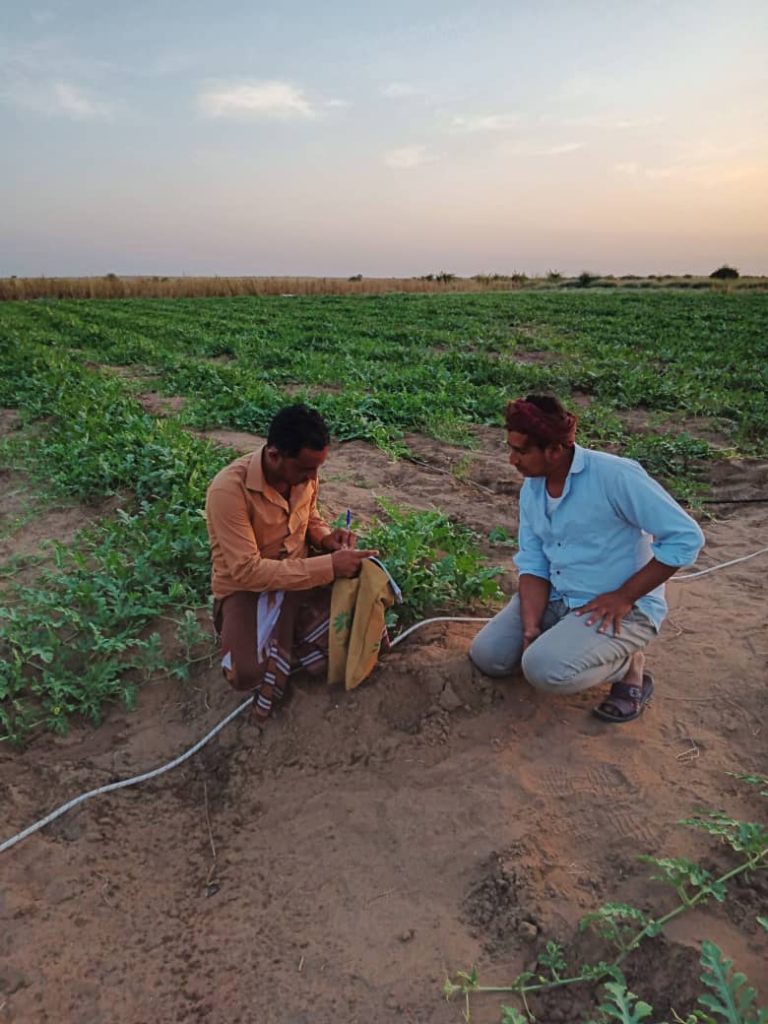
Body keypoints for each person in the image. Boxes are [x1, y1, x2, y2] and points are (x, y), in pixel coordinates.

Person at [469, 394, 705, 722]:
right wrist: (531, 626)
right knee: (489, 657)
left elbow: (685, 537)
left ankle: (630, 665)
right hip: (557, 596)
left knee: (544, 670)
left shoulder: (616, 476)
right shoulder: (533, 488)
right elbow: (534, 561)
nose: (512, 460)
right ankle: (563, 639)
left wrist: (625, 596)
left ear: (554, 450)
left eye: (520, 451)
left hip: (619, 609)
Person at [205, 404, 377, 719]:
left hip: (300, 578)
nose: (313, 478)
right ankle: (279, 640)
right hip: (248, 589)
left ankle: (287, 641)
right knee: (244, 673)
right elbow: (247, 572)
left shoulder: (303, 475)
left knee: (357, 631)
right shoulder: (228, 491)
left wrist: (326, 539)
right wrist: (328, 567)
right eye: (306, 469)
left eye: (317, 469)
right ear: (274, 456)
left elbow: (310, 518)